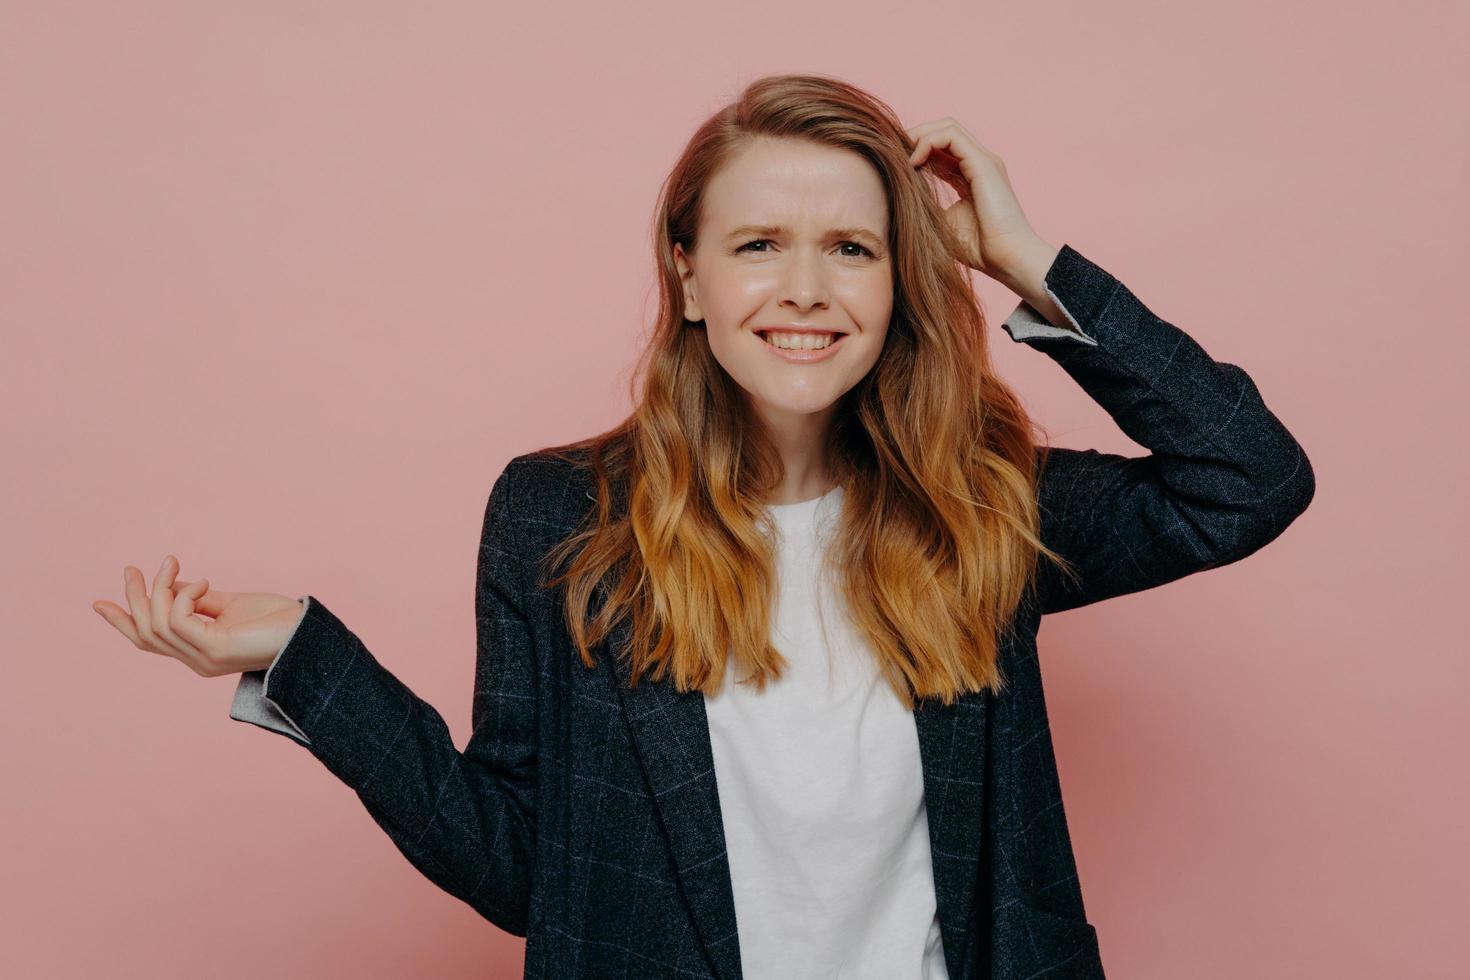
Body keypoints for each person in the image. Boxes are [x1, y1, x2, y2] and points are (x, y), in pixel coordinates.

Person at [91, 73, 1315, 980]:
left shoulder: (979, 505)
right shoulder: (558, 515)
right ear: (688, 276)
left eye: (851, 248)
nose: (804, 288)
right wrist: (309, 653)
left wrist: (1021, 256)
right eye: (757, 245)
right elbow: (526, 868)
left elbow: (1248, 477)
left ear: (900, 285)